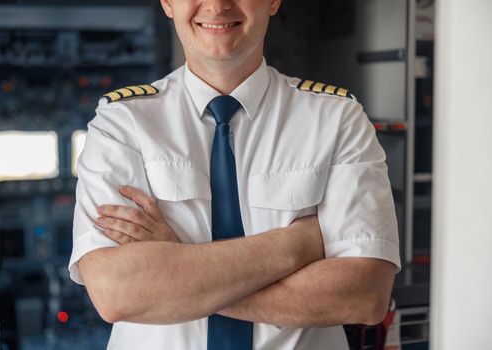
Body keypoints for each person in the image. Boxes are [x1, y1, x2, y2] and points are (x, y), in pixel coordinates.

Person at [68, 0, 401, 349]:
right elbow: (116, 293)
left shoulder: (337, 119)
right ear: (167, 3)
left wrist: (178, 276)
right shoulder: (121, 123)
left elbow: (364, 295)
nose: (217, 5)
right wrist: (295, 245)